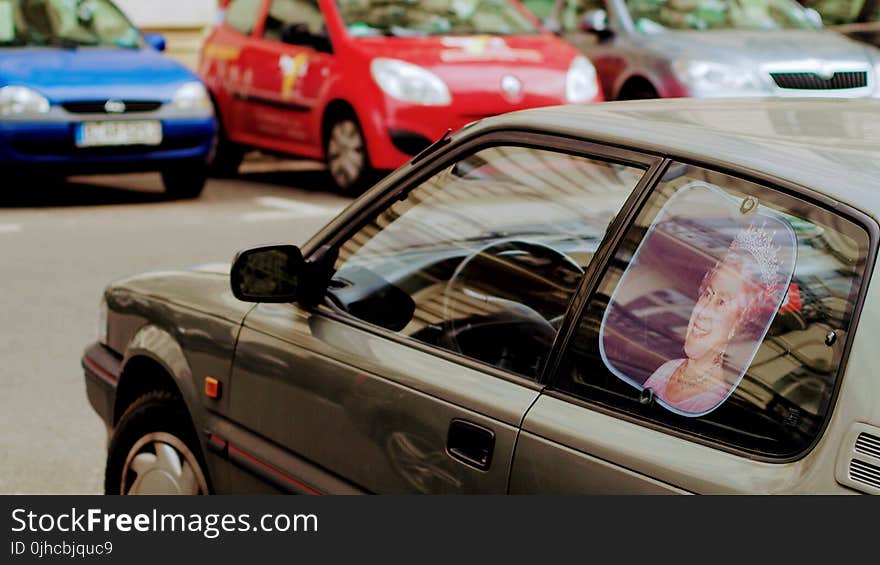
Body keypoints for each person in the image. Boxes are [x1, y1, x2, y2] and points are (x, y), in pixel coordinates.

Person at [643, 223, 783, 414]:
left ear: (739, 324)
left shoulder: (713, 404)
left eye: (721, 302)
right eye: (708, 294)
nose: (703, 311)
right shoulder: (667, 369)